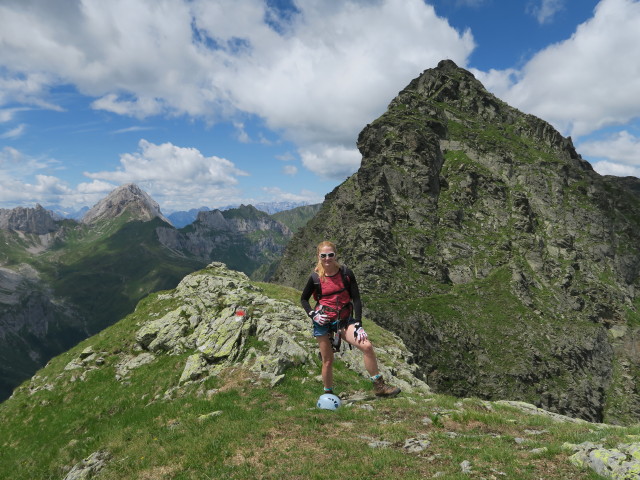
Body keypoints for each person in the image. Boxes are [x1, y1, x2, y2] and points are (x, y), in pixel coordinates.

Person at [301, 240, 400, 398]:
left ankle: (379, 387)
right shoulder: (314, 278)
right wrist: (313, 314)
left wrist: (359, 324)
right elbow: (304, 299)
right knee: (328, 360)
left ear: (336, 255)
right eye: (323, 255)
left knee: (367, 346)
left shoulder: (346, 273)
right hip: (323, 322)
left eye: (330, 255)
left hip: (344, 320)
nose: (327, 258)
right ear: (318, 256)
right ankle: (328, 395)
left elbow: (356, 299)